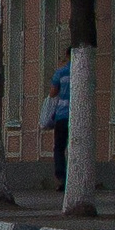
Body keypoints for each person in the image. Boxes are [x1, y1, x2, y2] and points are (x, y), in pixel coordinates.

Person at [41, 59, 70, 188]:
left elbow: (53, 93)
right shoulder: (84, 71)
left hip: (62, 116)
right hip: (78, 116)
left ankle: (61, 178)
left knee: (59, 147)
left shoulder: (61, 72)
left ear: (68, 56)